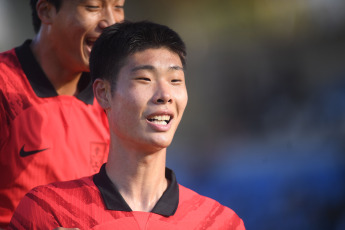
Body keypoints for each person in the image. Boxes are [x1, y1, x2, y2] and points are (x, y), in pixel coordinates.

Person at [8, 20, 246, 229]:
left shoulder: (219, 222)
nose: (165, 94)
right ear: (103, 93)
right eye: (145, 79)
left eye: (175, 80)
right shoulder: (48, 213)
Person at [0, 0, 125, 227]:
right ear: (46, 10)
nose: (111, 22)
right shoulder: (5, 88)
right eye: (93, 7)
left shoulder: (114, 97)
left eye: (118, 6)